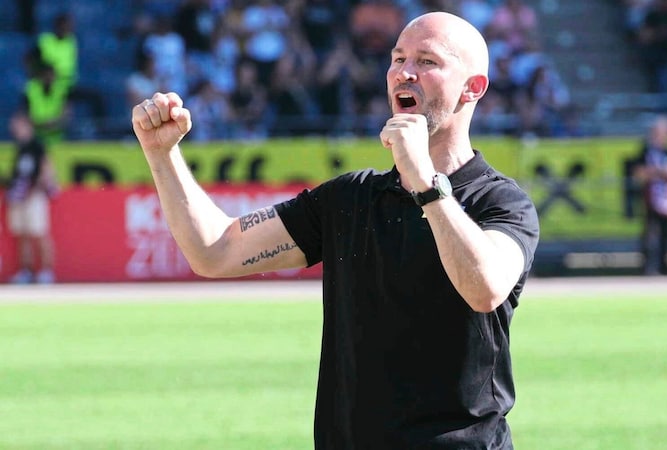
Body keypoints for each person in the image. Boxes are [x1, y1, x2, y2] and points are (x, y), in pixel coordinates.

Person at [131, 11, 539, 449]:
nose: (404, 72)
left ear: (472, 87)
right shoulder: (349, 199)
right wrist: (162, 155)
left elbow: (484, 289)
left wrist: (425, 182)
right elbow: (215, 252)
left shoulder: (500, 202)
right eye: (397, 58)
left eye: (427, 62)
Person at [4, 113, 59, 284]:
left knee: (40, 233)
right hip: (19, 197)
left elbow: (47, 168)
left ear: (27, 125)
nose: (15, 129)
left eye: (18, 125)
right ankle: (26, 271)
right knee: (22, 235)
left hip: (35, 195)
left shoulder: (37, 145)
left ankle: (46, 271)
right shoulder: (20, 147)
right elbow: (18, 174)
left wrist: (38, 188)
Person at [632, 115, 667, 276]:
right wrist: (659, 172)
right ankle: (647, 268)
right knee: (649, 233)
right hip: (650, 198)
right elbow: (638, 173)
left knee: (666, 234)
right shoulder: (646, 149)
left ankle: (664, 268)